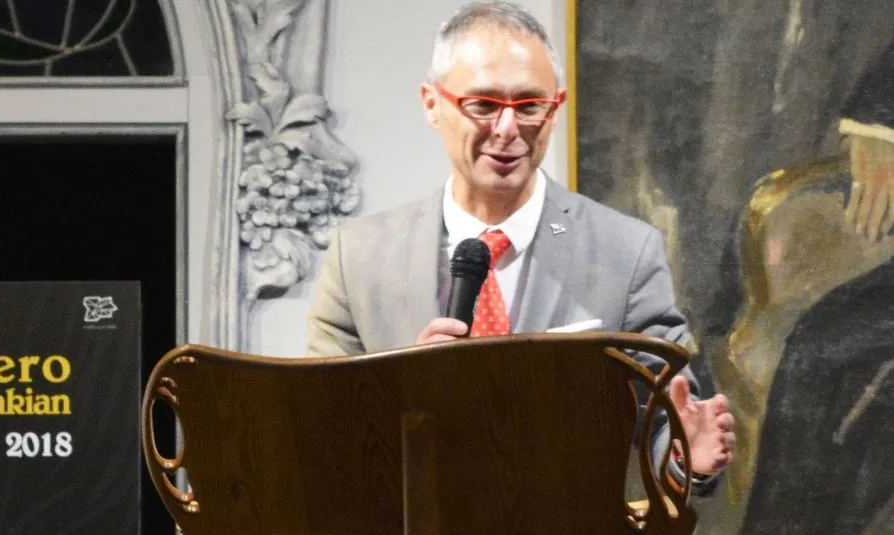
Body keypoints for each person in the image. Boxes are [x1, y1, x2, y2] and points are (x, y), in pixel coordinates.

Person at [306, 1, 734, 491]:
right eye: (483, 105)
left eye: (529, 106)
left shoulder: (626, 253)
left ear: (556, 107)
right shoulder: (359, 258)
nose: (507, 129)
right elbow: (320, 431)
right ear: (432, 103)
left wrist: (686, 456)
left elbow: (666, 419)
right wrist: (405, 391)